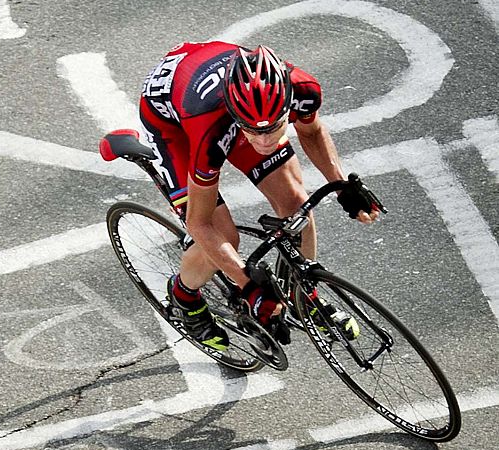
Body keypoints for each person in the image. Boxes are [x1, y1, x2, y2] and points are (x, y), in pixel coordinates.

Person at [137, 41, 380, 349]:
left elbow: (312, 132)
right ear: (239, 121)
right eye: (254, 131)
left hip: (229, 103)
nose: (264, 142)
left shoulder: (302, 88)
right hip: (174, 122)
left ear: (287, 104)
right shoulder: (210, 129)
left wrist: (342, 184)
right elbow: (201, 224)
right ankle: (184, 299)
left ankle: (301, 294)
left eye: (275, 127)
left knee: (296, 204)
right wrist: (249, 288)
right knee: (222, 234)